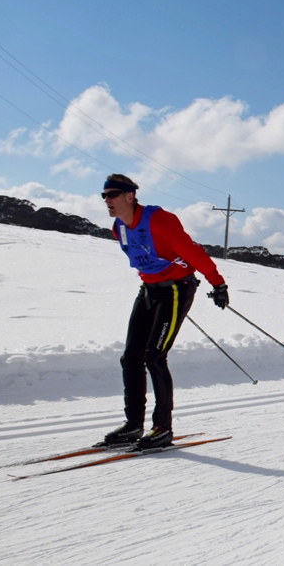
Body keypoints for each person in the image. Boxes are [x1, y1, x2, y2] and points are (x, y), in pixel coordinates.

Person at [99, 174, 229, 450]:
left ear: (129, 196)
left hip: (175, 289)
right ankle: (133, 424)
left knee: (154, 356)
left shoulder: (159, 220)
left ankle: (162, 428)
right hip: (149, 290)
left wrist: (217, 283)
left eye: (111, 194)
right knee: (130, 357)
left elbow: (191, 251)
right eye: (104, 195)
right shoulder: (118, 227)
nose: (106, 200)